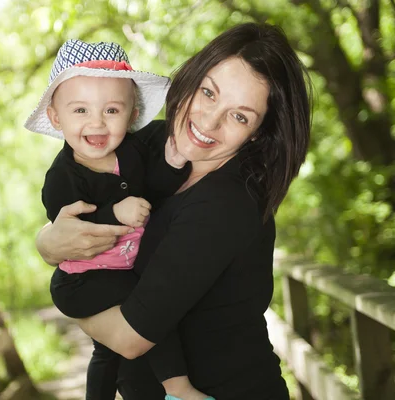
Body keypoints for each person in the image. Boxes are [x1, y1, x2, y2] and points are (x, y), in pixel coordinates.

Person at [35, 22, 312, 400]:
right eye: (208, 93)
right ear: (192, 79)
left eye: (240, 116)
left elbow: (130, 338)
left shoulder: (227, 205)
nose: (209, 121)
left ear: (258, 134)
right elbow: (80, 213)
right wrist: (48, 242)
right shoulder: (150, 143)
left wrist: (64, 290)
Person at [25, 40, 213, 400]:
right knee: (151, 307)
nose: (96, 122)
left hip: (119, 270)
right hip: (82, 281)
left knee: (106, 353)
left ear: (131, 113)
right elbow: (68, 228)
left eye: (111, 110)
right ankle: (179, 389)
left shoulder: (133, 150)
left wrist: (172, 164)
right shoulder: (63, 176)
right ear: (55, 117)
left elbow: (151, 193)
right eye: (80, 110)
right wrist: (115, 212)